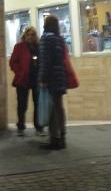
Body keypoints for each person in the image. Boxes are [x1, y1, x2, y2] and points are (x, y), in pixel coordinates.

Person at [38, 14, 69, 150]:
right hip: (60, 77)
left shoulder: (45, 39)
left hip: (50, 78)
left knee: (51, 109)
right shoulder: (60, 39)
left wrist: (42, 79)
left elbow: (45, 61)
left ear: (46, 24)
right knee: (59, 107)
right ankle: (62, 137)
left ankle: (54, 139)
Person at [9, 26, 44, 136]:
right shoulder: (19, 47)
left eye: (32, 35)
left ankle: (39, 127)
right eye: (28, 35)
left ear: (35, 36)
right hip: (23, 79)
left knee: (38, 104)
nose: (30, 37)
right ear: (24, 36)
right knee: (22, 104)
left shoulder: (39, 47)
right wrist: (19, 72)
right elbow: (13, 62)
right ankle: (20, 126)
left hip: (36, 80)